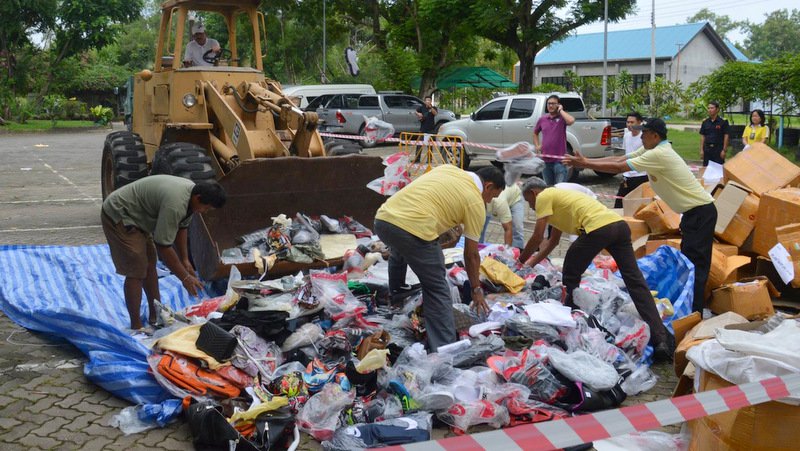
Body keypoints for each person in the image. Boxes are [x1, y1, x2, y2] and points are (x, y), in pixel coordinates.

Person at [563, 118, 716, 313]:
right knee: (688, 262)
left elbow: (620, 169)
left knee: (696, 265)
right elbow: (620, 159)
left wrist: (584, 163)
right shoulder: (652, 149)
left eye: (644, 133)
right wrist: (586, 161)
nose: (641, 136)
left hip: (701, 212)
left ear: (655, 135)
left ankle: (695, 312)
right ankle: (689, 308)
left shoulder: (660, 154)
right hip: (692, 214)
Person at [516, 178, 674, 362]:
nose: (532, 207)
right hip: (619, 227)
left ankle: (571, 328)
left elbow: (536, 237)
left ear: (535, 192)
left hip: (598, 229)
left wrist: (519, 261)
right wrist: (531, 263)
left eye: (529, 201)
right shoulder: (558, 202)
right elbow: (552, 242)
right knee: (635, 281)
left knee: (570, 274)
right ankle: (660, 339)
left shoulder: (544, 195)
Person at [374, 165, 505, 351]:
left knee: (400, 249)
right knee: (437, 288)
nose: (489, 201)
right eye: (492, 197)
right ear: (489, 186)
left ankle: (397, 295)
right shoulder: (475, 201)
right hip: (414, 230)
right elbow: (471, 254)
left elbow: (429, 199)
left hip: (384, 220)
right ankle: (446, 349)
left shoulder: (447, 169)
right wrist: (476, 289)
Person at [101, 175, 227, 331]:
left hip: (139, 217)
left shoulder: (191, 198)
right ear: (198, 198)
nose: (205, 211)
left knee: (150, 264)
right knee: (136, 269)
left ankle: (155, 315)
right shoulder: (175, 204)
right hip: (120, 213)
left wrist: (185, 260)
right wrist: (185, 277)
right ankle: (136, 326)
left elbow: (182, 227)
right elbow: (163, 246)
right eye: (206, 208)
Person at [533, 94, 575, 185]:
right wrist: (537, 146)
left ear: (558, 105)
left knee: (560, 189)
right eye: (549, 103)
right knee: (549, 188)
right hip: (546, 161)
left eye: (553, 103)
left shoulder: (562, 118)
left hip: (559, 161)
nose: (551, 106)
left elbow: (571, 121)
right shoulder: (542, 119)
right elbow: (535, 132)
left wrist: (561, 110)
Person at [614, 112, 648, 208]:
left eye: (632, 122)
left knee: (638, 206)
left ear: (639, 123)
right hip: (626, 176)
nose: (629, 125)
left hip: (641, 176)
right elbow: (626, 154)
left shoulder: (645, 137)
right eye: (627, 122)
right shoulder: (627, 136)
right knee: (619, 205)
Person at [481, 183, 525, 249]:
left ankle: (516, 253)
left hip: (515, 198)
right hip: (494, 203)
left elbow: (508, 229)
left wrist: (506, 252)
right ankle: (478, 249)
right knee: (480, 228)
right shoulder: (476, 202)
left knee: (517, 228)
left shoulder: (499, 202)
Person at [699, 102, 730, 166]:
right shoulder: (705, 122)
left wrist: (724, 150)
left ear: (717, 109)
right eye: (708, 108)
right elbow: (702, 136)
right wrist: (701, 150)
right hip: (707, 149)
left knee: (718, 170)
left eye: (712, 108)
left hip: (718, 149)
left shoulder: (723, 121)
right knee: (706, 169)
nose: (710, 110)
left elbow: (726, 136)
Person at [413, 96, 438, 163]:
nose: (428, 101)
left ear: (431, 101)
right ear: (425, 101)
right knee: (419, 144)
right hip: (423, 128)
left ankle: (429, 160)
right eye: (427, 100)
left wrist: (431, 108)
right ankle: (417, 159)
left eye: (429, 100)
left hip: (430, 129)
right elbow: (415, 111)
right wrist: (419, 114)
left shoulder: (433, 108)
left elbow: (435, 113)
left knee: (429, 145)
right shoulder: (422, 107)